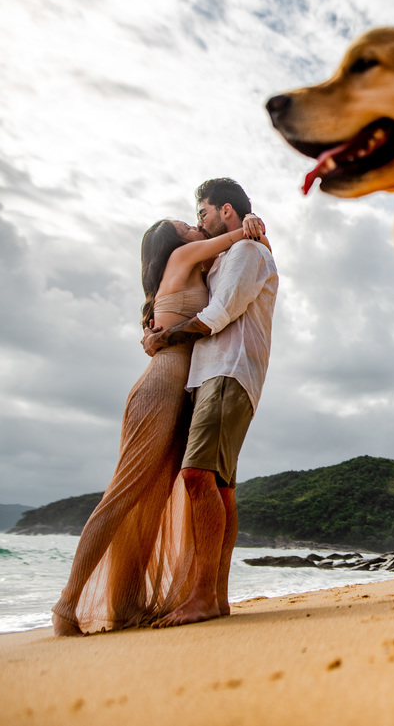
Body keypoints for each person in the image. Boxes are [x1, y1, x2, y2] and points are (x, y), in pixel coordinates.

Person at [52, 209, 268, 636]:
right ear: (173, 243)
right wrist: (251, 222)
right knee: (124, 493)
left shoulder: (200, 269)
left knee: (151, 502)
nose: (193, 225)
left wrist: (254, 232)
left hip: (184, 386)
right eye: (185, 226)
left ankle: (126, 604)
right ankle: (66, 606)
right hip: (162, 383)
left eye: (193, 220)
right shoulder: (183, 257)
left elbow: (248, 265)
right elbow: (234, 241)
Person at [141, 177, 278, 627]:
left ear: (225, 211)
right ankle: (215, 596)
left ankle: (202, 596)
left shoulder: (247, 252)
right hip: (215, 375)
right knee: (220, 486)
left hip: (228, 371)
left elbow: (218, 316)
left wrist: (167, 338)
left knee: (197, 476)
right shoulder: (228, 255)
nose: (199, 222)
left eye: (201, 213)